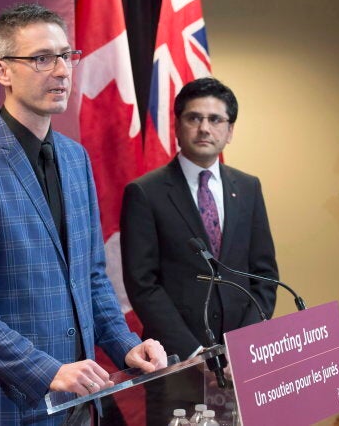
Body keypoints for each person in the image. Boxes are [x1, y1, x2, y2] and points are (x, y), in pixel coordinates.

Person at [0, 3, 166, 426]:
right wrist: (48, 371)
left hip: (81, 402)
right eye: (42, 58)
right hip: (11, 407)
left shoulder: (76, 159)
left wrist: (125, 344)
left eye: (65, 55)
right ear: (2, 70)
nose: (61, 71)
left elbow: (92, 276)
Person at [120, 77, 278, 423]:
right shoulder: (145, 193)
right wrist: (194, 353)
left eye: (215, 119)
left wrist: (245, 347)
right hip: (177, 364)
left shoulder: (248, 187)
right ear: (177, 125)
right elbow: (142, 284)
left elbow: (264, 276)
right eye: (194, 118)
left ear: (230, 130)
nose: (204, 128)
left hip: (242, 363)